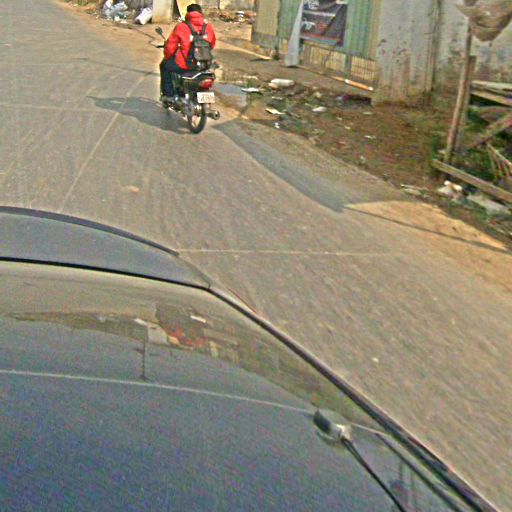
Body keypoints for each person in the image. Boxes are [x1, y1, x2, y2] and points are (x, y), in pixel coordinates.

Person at [160, 4, 216, 104]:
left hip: (186, 64)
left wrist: (167, 56)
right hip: (204, 64)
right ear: (200, 13)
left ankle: (168, 95)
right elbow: (212, 44)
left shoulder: (181, 27)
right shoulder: (208, 27)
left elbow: (170, 47)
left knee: (165, 66)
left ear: (187, 13)